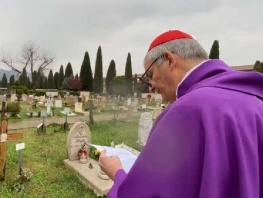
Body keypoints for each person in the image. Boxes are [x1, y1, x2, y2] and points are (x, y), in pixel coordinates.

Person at [99, 30, 263, 198]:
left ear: (169, 60)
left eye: (151, 75)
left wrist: (118, 174)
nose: (151, 86)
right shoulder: (255, 103)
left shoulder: (187, 110)